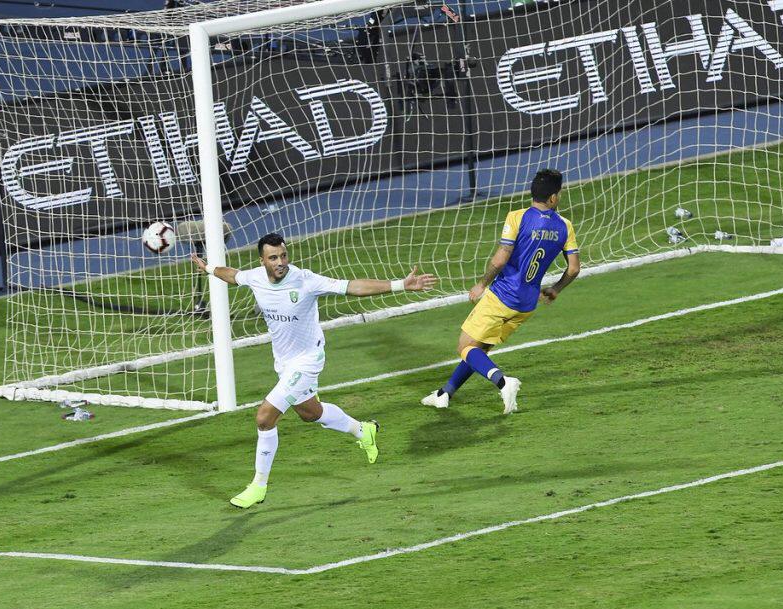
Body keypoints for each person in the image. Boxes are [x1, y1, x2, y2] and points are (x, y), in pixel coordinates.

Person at [191, 232, 438, 508]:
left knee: (264, 417)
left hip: (307, 360)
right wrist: (209, 268)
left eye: (283, 255)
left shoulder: (305, 280)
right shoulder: (256, 278)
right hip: (283, 363)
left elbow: (352, 286)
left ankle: (258, 486)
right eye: (273, 258)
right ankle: (362, 430)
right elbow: (233, 275)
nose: (280, 262)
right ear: (262, 260)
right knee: (311, 413)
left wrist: (399, 285)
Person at [422, 168, 580, 413]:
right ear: (553, 198)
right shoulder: (565, 226)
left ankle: (503, 382)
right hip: (527, 304)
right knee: (479, 348)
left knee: (465, 346)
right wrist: (556, 288)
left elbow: (500, 260)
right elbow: (573, 268)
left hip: (503, 295)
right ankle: (445, 394)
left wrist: (481, 284)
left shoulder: (517, 217)